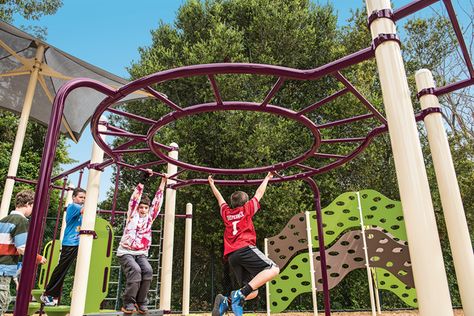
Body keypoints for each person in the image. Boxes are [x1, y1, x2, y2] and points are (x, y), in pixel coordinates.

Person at [209, 172, 280, 316]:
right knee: (273, 268)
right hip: (245, 248)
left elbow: (220, 199)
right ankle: (238, 295)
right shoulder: (246, 210)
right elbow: (259, 193)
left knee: (253, 290)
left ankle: (226, 302)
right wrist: (267, 177)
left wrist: (212, 184)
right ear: (246, 202)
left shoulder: (227, 214)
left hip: (232, 256)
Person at [118, 170, 167, 314]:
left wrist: (163, 182)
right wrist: (143, 179)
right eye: (141, 207)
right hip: (126, 252)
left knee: (148, 271)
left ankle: (141, 302)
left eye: (146, 207)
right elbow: (134, 198)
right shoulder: (132, 214)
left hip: (141, 253)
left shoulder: (150, 217)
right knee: (136, 270)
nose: (143, 210)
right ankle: (128, 302)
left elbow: (158, 201)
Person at [0, 190, 47, 315]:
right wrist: (37, 258)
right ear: (28, 204)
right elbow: (22, 248)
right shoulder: (21, 221)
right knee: (1, 301)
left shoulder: (4, 220)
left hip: (2, 266)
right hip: (3, 269)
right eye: (33, 206)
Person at [40, 187, 86, 306]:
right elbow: (88, 210)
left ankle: (52, 294)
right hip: (70, 243)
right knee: (62, 269)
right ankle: (48, 293)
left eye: (85, 198)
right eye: (81, 197)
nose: (83, 200)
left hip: (78, 243)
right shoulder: (73, 207)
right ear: (74, 197)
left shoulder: (80, 209)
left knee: (67, 269)